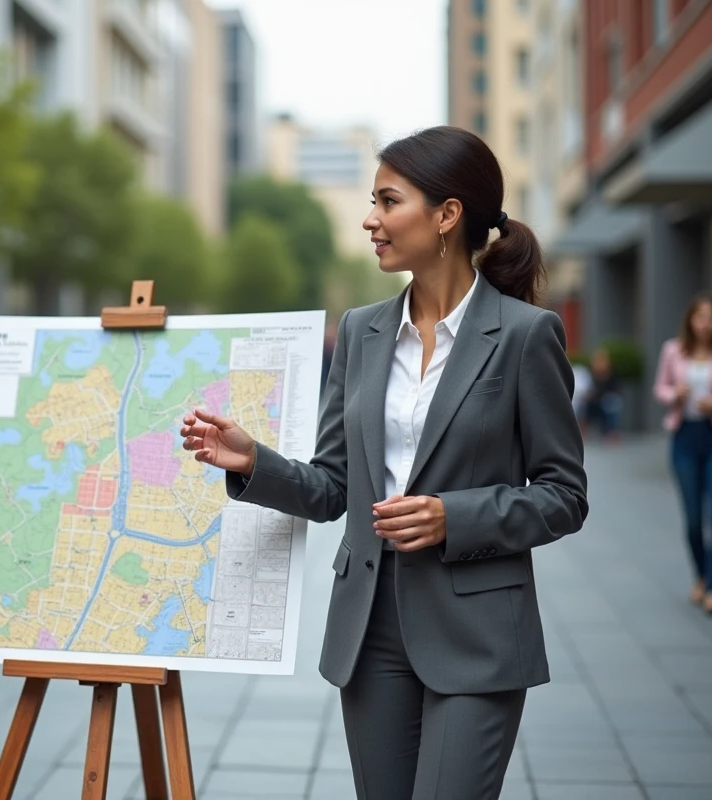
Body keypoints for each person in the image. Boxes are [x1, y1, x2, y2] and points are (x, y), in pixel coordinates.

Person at [180, 126, 588, 799]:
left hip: (478, 632)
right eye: (371, 201)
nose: (370, 220)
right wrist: (255, 462)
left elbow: (563, 494)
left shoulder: (524, 335)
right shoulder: (364, 332)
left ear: (447, 215)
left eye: (388, 201)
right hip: (370, 632)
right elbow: (333, 486)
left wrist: (453, 516)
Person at [653, 294, 712, 615]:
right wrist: (675, 394)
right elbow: (660, 389)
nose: (706, 323)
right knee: (694, 520)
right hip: (684, 438)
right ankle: (702, 573)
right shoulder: (672, 350)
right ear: (691, 320)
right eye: (700, 317)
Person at [579, 346, 623, 442]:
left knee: (612, 403)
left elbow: (615, 391)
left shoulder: (612, 375)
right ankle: (582, 430)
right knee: (584, 404)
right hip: (593, 402)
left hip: (606, 402)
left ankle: (611, 432)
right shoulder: (590, 374)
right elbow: (587, 388)